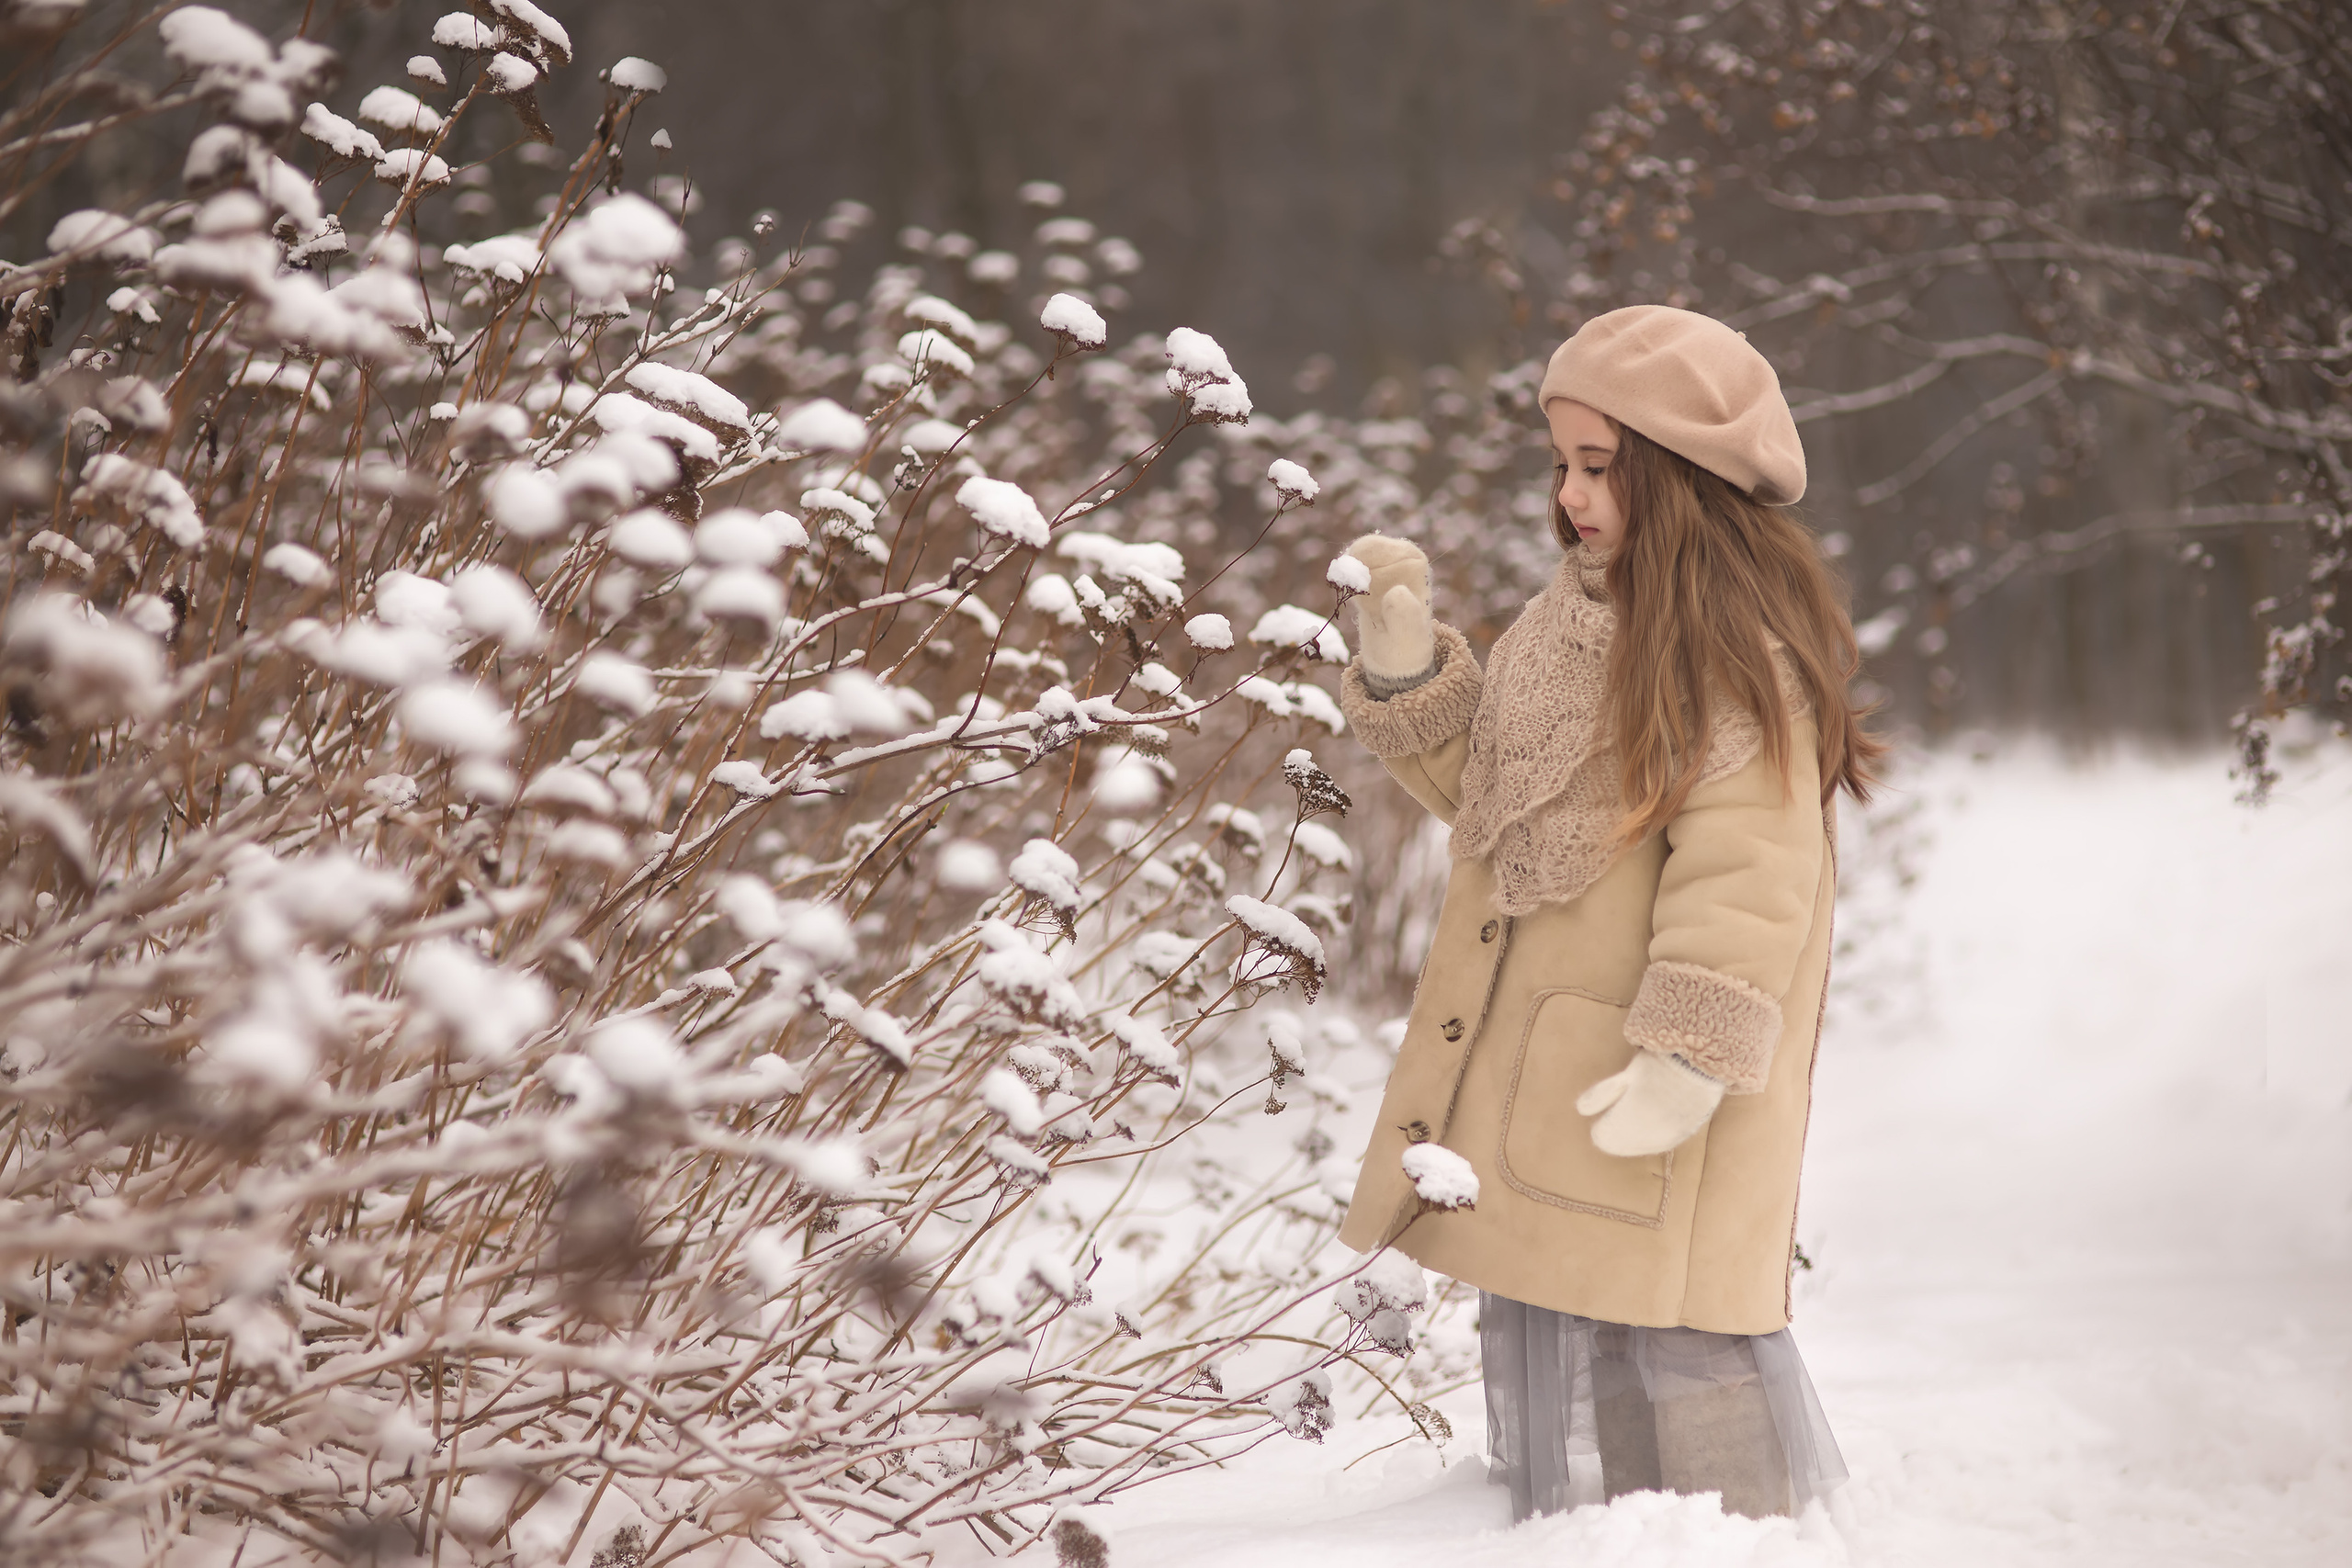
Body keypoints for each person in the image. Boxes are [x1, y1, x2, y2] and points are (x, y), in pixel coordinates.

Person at [1335, 305, 1883, 1522]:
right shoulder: (1574, 614)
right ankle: (1587, 1527)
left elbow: (1750, 868)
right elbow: (1498, 805)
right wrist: (1409, 662)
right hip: (1554, 1070)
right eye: (1562, 463)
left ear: (1681, 478)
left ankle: (1726, 1531)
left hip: (1644, 1066)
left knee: (1677, 1331)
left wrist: (1688, 1052)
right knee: (1575, 1319)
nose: (1570, 493)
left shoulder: (1736, 656)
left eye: (1600, 467)